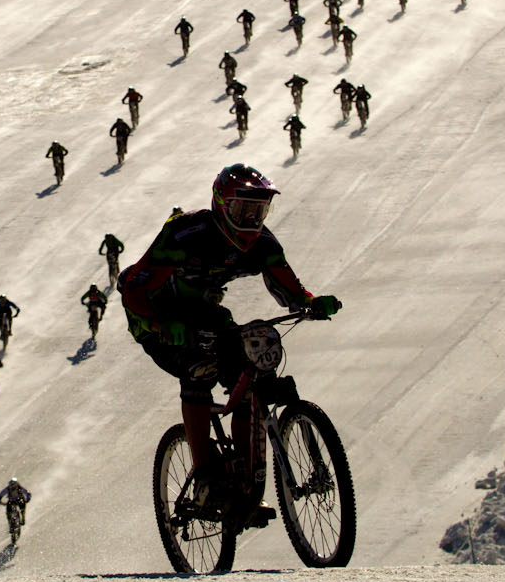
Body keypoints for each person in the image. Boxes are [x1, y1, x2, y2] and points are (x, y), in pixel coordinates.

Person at [118, 165, 342, 509]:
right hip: (153, 312)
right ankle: (205, 477)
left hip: (204, 311)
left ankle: (241, 479)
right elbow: (134, 288)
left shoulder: (263, 243)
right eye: (243, 210)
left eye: (259, 211)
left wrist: (309, 302)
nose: (252, 219)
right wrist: (159, 325)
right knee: (199, 370)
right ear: (222, 206)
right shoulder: (186, 235)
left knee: (248, 373)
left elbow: (287, 286)